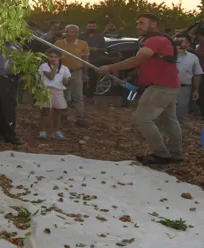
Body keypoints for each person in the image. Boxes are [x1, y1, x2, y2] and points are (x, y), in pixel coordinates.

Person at [99, 14, 181, 166]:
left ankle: (161, 154)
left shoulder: (156, 40)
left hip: (160, 87)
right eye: (137, 23)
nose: (138, 26)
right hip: (168, 86)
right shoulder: (158, 40)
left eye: (142, 23)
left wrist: (110, 67)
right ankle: (175, 154)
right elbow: (145, 64)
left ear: (154, 24)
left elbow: (137, 60)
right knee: (169, 121)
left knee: (142, 118)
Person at [55, 25, 89, 127]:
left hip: (76, 72)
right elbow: (53, 58)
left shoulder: (83, 44)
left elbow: (86, 60)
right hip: (61, 72)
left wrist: (85, 73)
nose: (69, 33)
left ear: (76, 34)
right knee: (62, 94)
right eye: (67, 31)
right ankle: (62, 116)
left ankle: (80, 117)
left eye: (72, 32)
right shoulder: (58, 43)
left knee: (77, 96)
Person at [38, 49, 71, 140]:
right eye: (51, 56)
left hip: (58, 91)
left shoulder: (64, 68)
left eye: (56, 57)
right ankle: (43, 131)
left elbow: (66, 81)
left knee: (58, 111)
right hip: (46, 90)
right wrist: (55, 68)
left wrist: (66, 80)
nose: (53, 59)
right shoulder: (44, 66)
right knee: (45, 110)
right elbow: (51, 77)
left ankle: (56, 131)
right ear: (47, 57)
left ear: (60, 58)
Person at [174, 34, 202, 123]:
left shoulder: (193, 58)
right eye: (177, 41)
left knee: (181, 112)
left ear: (188, 44)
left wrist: (196, 90)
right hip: (166, 88)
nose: (178, 43)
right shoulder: (168, 55)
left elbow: (197, 74)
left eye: (182, 41)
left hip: (184, 88)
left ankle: (178, 134)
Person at [79, 20, 107, 101]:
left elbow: (105, 49)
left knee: (93, 79)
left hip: (95, 60)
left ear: (96, 27)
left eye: (93, 26)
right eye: (90, 26)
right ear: (87, 27)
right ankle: (80, 96)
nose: (91, 28)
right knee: (81, 78)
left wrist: (96, 49)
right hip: (82, 60)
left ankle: (90, 97)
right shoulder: (81, 36)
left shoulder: (100, 37)